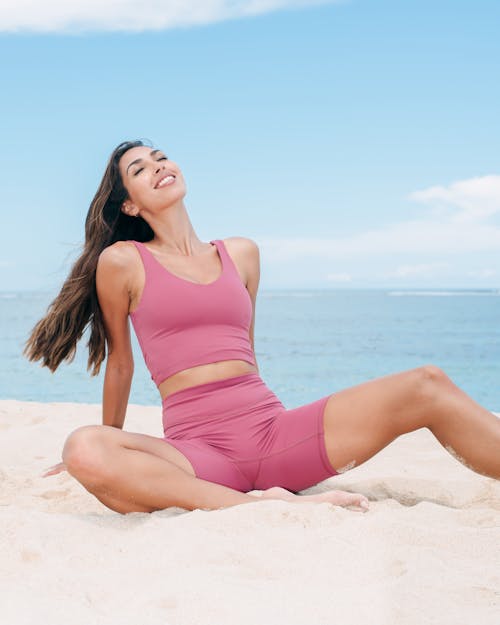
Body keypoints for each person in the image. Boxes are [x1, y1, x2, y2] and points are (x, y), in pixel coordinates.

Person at [25, 140, 500, 516]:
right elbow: (121, 364)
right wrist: (117, 444)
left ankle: (264, 495)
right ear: (128, 205)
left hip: (274, 436)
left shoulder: (243, 253)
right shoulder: (123, 262)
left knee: (427, 383)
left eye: (161, 157)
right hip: (199, 454)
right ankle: (258, 506)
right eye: (140, 169)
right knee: (84, 446)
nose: (158, 166)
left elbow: (245, 354)